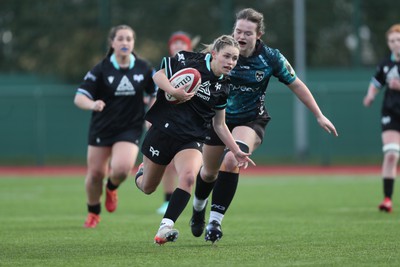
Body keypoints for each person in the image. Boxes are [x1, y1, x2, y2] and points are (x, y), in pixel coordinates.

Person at [189, 8, 338, 243]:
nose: (241, 36)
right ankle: (198, 209)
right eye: (238, 30)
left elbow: (297, 84)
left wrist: (319, 115)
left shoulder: (270, 57)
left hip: (251, 120)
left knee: (231, 160)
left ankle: (215, 222)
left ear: (258, 35)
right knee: (208, 172)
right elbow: (191, 75)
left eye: (248, 32)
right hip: (217, 120)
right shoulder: (220, 52)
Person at [134, 35, 255, 245]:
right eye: (227, 56)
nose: (231, 62)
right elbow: (158, 76)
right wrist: (172, 90)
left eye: (235, 59)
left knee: (189, 177)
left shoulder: (224, 86)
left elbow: (219, 124)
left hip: (192, 138)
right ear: (214, 54)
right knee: (148, 187)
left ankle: (165, 227)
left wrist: (235, 149)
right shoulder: (189, 61)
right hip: (163, 130)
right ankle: (141, 172)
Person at [74, 25, 157, 228]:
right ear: (112, 43)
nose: (125, 43)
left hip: (129, 127)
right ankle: (93, 213)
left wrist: (152, 113)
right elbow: (79, 97)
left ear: (133, 43)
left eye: (129, 39)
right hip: (102, 127)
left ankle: (111, 188)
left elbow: (157, 91)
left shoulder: (144, 68)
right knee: (95, 174)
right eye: (120, 39)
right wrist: (93, 104)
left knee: (120, 169)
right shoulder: (101, 68)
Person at [363, 23, 400, 213]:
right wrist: (370, 95)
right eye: (392, 41)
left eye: (398, 40)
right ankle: (387, 199)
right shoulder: (386, 64)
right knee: (392, 153)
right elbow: (375, 82)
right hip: (391, 113)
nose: (395, 44)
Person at [156, 31, 193, 215]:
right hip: (167, 122)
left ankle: (191, 199)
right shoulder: (164, 68)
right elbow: (155, 97)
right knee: (168, 165)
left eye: (182, 43)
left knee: (191, 167)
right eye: (175, 43)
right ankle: (167, 200)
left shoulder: (196, 70)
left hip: (190, 125)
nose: (178, 46)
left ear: (189, 47)